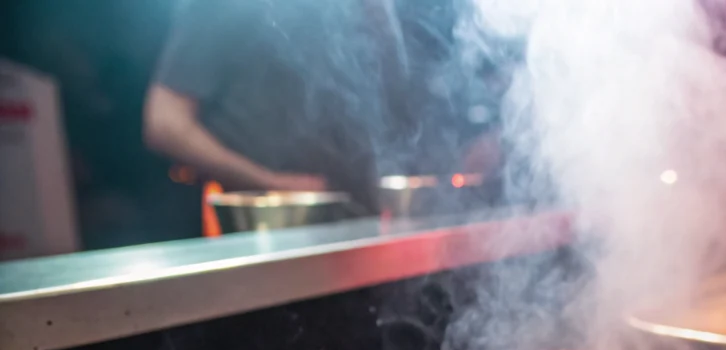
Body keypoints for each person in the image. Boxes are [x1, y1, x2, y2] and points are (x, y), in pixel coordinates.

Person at [144, 0, 506, 216]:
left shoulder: (369, 11)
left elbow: (402, 124)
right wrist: (270, 184)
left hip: (357, 230)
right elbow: (164, 121)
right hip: (260, 234)